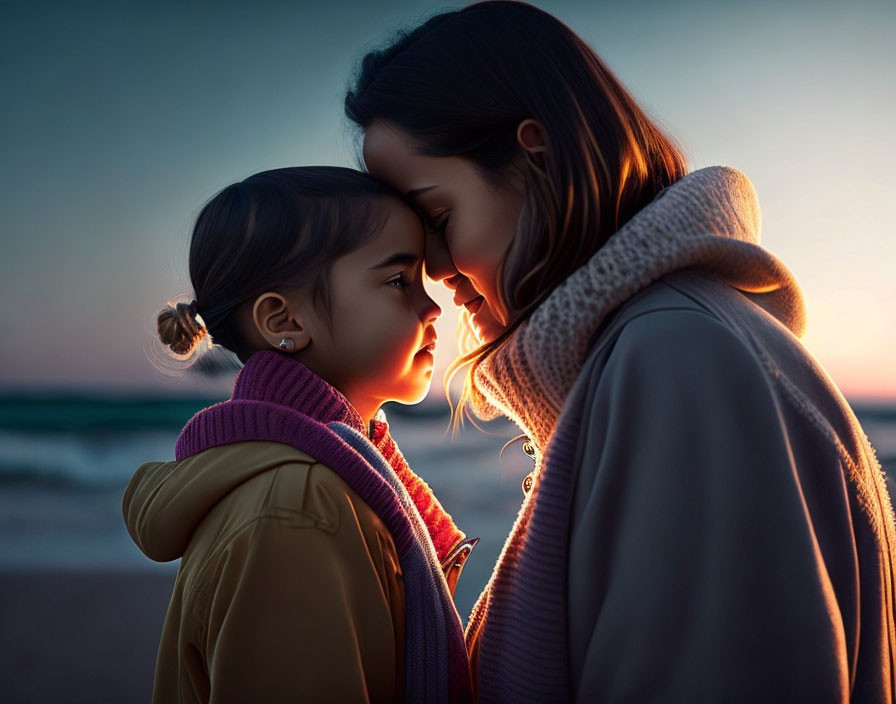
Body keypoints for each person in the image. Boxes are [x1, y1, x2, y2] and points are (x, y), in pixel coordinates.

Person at [345, 2, 896, 701]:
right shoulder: (662, 350)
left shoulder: (677, 359)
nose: (435, 268)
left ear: (533, 152)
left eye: (438, 217)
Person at [123, 166, 476, 703]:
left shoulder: (333, 475)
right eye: (399, 281)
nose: (433, 308)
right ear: (283, 321)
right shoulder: (299, 507)